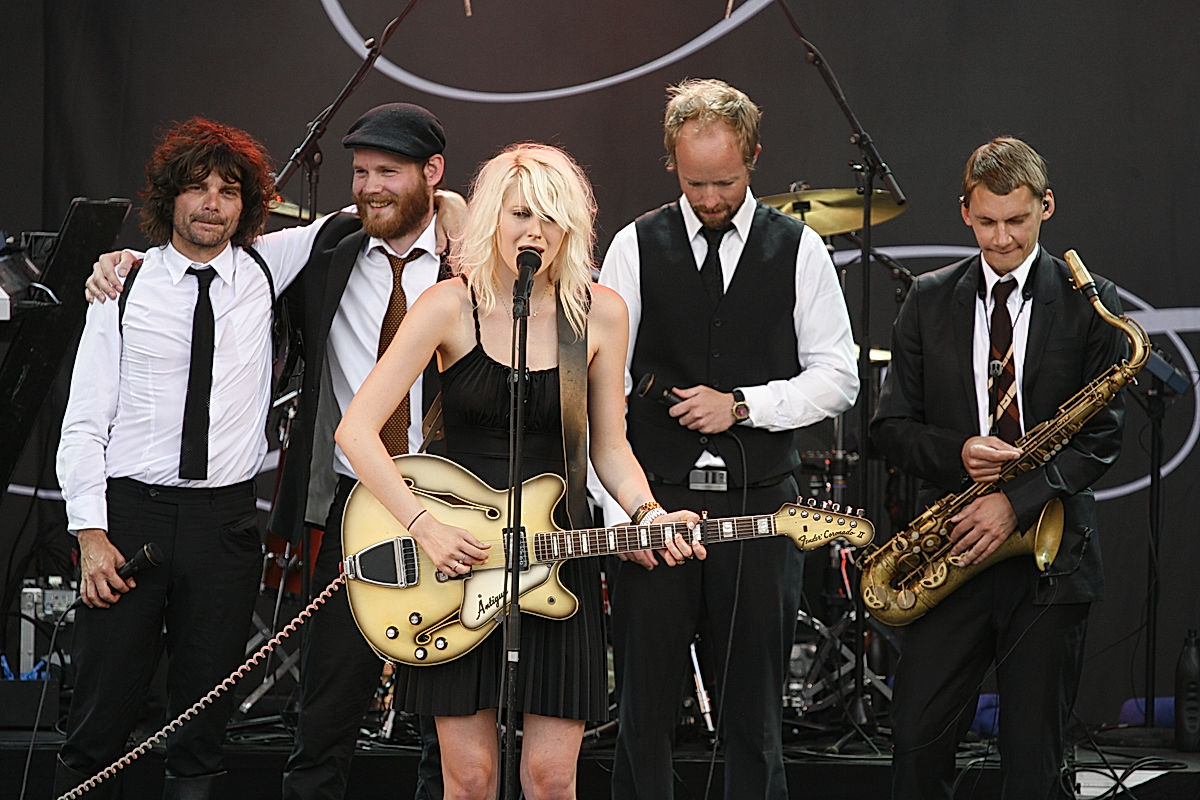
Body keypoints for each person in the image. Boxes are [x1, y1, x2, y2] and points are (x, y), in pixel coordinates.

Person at [86, 103, 462, 800]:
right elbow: (199, 254)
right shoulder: (331, 249)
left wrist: (457, 215)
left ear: (432, 172)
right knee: (324, 713)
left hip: (455, 505)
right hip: (353, 504)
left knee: (451, 722)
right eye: (360, 172)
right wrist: (122, 262)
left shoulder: (469, 261)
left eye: (388, 171)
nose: (370, 186)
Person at [335, 142, 701, 800]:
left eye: (551, 217)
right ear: (491, 220)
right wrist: (423, 527)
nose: (535, 231)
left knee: (550, 778)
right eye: (521, 214)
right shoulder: (448, 305)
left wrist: (647, 512)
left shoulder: (599, 313)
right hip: (458, 558)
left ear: (573, 227)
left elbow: (610, 448)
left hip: (557, 555)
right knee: (470, 779)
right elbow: (356, 431)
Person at [54, 117, 335, 800]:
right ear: (168, 197)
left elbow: (372, 212)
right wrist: (90, 536)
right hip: (130, 518)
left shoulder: (267, 265)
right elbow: (83, 422)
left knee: (203, 725)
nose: (212, 204)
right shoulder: (122, 287)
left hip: (224, 526)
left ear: (248, 205)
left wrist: (449, 204)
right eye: (197, 188)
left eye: (228, 191)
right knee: (100, 714)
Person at [599, 78, 859, 800]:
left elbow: (839, 377)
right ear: (671, 164)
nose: (710, 199)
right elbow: (600, 391)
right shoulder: (634, 246)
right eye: (694, 183)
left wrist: (744, 406)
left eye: (726, 182)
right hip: (655, 504)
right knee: (643, 718)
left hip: (761, 508)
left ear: (754, 158)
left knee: (754, 719)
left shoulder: (800, 248)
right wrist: (625, 515)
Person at [870, 136, 1126, 799]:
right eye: (986, 222)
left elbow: (1102, 437)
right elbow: (890, 428)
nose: (1003, 238)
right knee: (915, 744)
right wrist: (957, 451)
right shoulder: (927, 299)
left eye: (1018, 220)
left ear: (1047, 206)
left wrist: (1016, 501)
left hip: (1049, 564)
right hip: (951, 550)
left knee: (1033, 764)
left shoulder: (1091, 302)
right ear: (965, 212)